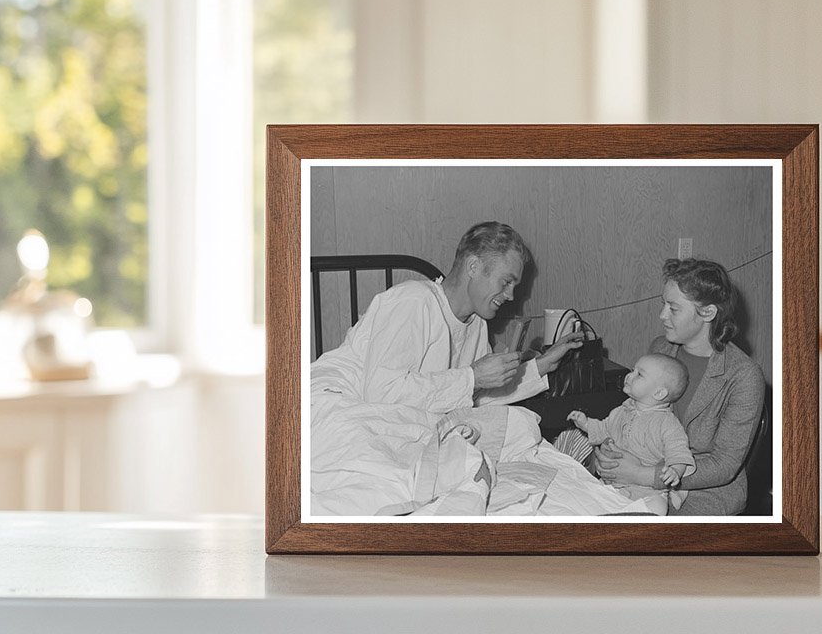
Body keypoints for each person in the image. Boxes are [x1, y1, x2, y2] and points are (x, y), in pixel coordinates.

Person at [309, 221, 636, 516]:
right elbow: (380, 393)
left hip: (403, 417)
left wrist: (540, 367)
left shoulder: (477, 324)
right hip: (337, 407)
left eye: (515, 287)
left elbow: (471, 397)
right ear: (474, 266)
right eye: (506, 282)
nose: (510, 296)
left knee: (517, 428)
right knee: (394, 479)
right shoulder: (412, 301)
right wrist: (473, 377)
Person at [592, 258, 766, 516]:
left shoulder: (743, 375)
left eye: (673, 309)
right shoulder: (661, 349)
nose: (662, 315)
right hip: (638, 475)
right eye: (663, 304)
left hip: (702, 494)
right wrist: (610, 448)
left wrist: (643, 474)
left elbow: (724, 464)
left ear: (707, 313)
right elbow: (635, 410)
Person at [553, 353, 694, 512]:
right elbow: (603, 429)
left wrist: (675, 470)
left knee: (656, 510)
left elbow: (679, 452)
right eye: (633, 370)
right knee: (584, 499)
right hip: (613, 487)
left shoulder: (667, 423)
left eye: (639, 374)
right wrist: (586, 423)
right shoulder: (620, 411)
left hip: (648, 492)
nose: (629, 375)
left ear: (659, 393)